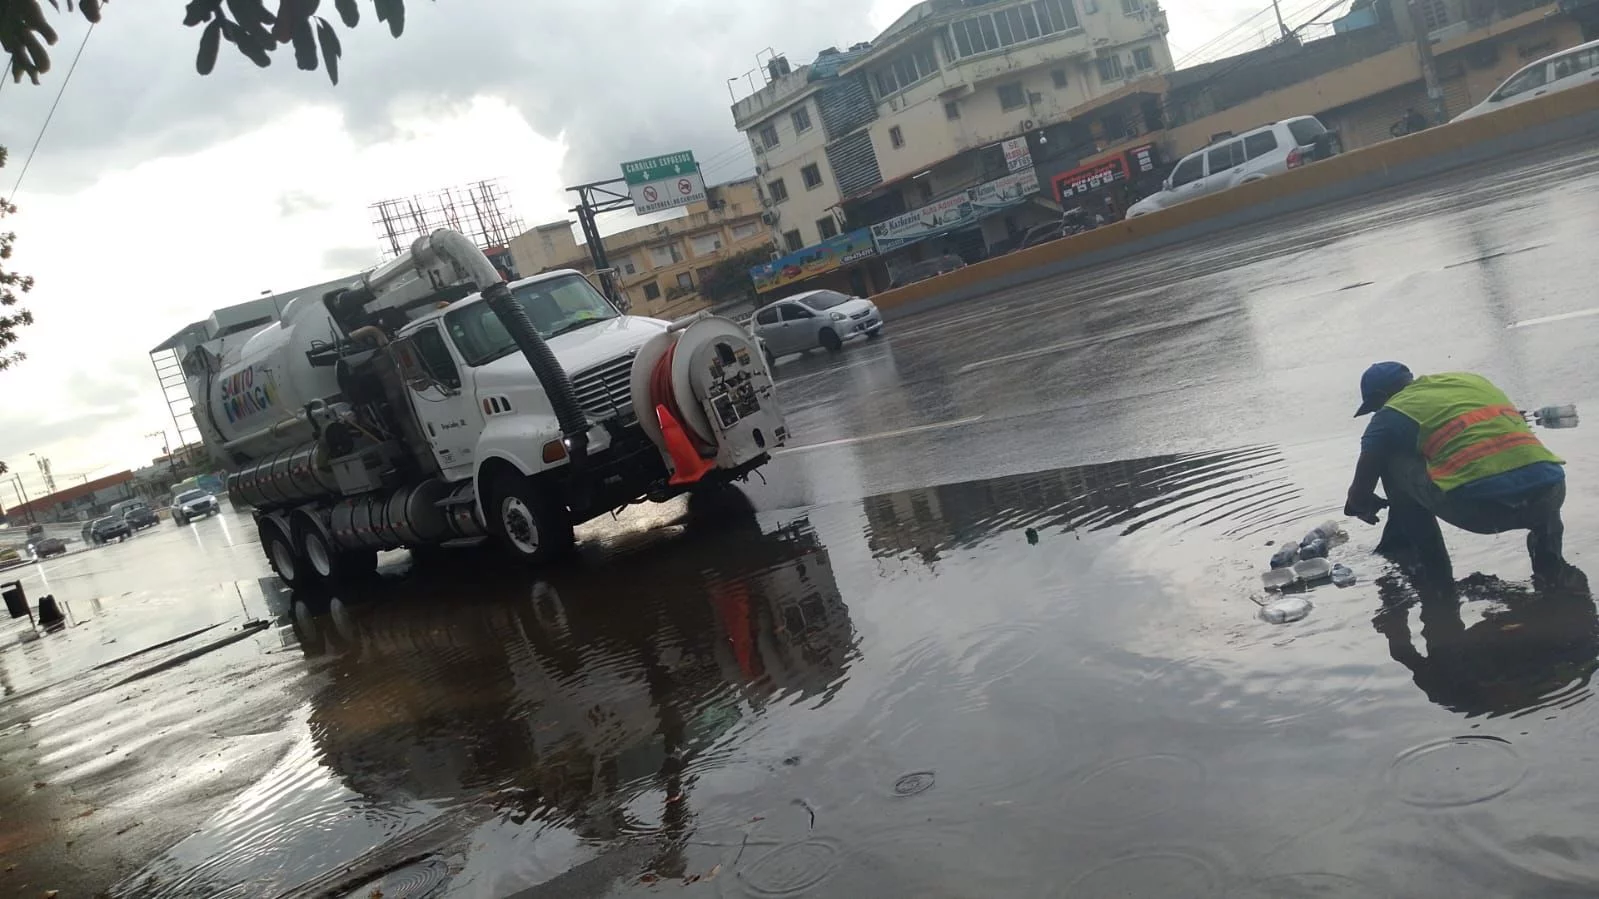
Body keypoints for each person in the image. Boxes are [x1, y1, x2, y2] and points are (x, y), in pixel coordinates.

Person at [1344, 362, 1568, 582]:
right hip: (1551, 495)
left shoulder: (1389, 415)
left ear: (1380, 396)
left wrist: (1361, 506)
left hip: (1482, 510)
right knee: (1525, 462)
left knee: (1390, 460)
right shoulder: (1470, 381)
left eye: (1374, 407)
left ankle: (1434, 569)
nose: (1376, 411)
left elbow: (1359, 495)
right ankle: (1550, 562)